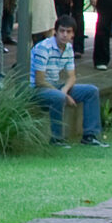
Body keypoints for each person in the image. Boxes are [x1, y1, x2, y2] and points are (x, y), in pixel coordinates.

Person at [31, 17, 106, 147]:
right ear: (55, 31)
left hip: (55, 86)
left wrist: (64, 91)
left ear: (73, 34)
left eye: (68, 31)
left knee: (91, 91)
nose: (64, 35)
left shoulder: (68, 49)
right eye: (62, 31)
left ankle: (90, 136)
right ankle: (56, 138)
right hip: (36, 89)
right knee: (58, 96)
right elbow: (39, 81)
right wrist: (63, 95)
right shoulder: (44, 48)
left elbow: (72, 77)